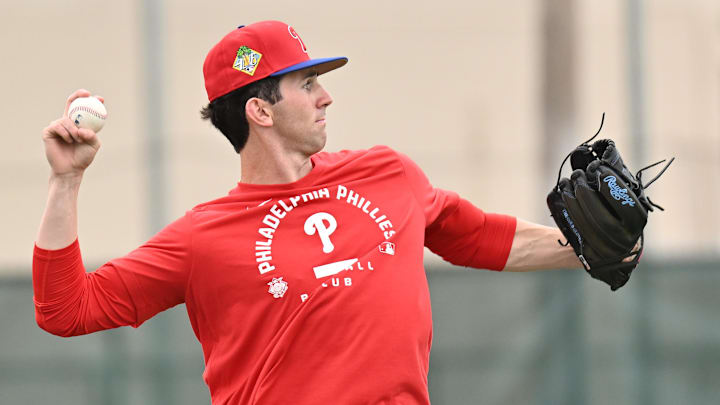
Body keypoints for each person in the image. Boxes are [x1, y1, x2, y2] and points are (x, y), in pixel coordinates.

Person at [35, 20, 583, 405]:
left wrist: (590, 246)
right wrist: (67, 182)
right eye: (307, 83)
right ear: (260, 110)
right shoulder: (203, 237)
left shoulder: (386, 174)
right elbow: (66, 310)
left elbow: (474, 236)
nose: (326, 97)